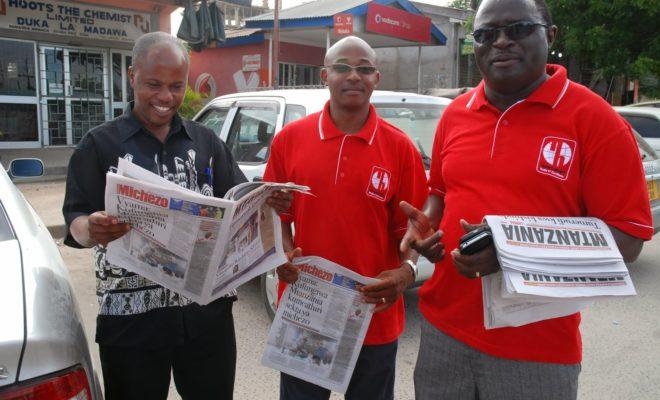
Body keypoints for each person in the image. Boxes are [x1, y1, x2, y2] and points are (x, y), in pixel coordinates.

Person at [399, 1, 654, 399]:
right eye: (486, 34)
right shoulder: (456, 114)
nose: (501, 42)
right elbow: (442, 193)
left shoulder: (596, 120)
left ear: (549, 36)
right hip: (442, 331)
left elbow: (627, 240)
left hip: (536, 349)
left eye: (517, 29)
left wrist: (512, 253)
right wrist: (427, 229)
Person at [62, 32, 291, 400]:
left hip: (206, 317)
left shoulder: (207, 143)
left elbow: (236, 203)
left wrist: (264, 205)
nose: (166, 98)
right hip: (130, 320)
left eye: (176, 86)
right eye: (154, 84)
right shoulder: (99, 144)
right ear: (133, 75)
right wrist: (93, 228)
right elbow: (75, 219)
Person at [264, 36, 428, 400]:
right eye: (342, 67)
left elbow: (414, 229)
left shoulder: (400, 148)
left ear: (376, 78)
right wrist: (282, 256)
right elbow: (276, 215)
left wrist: (407, 272)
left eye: (364, 69)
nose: (353, 76)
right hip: (306, 311)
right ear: (325, 74)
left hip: (374, 316)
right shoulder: (290, 140)